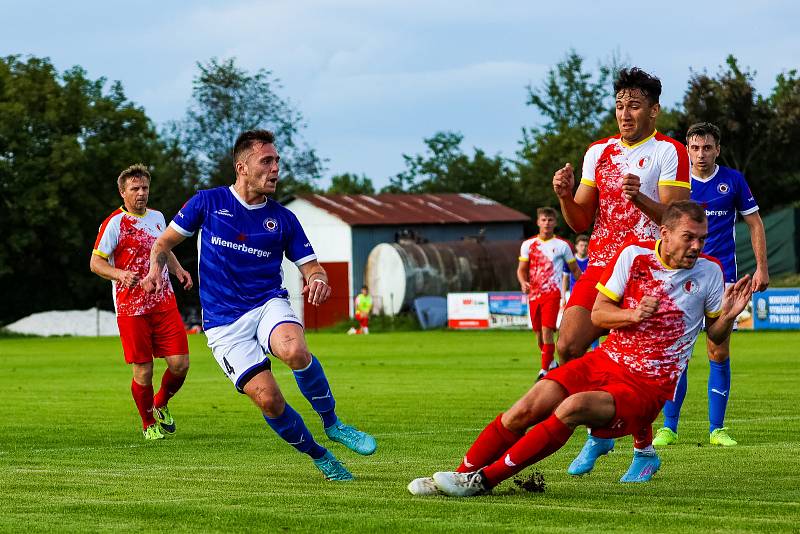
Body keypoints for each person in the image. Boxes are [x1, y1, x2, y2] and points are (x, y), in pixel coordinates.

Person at [408, 201, 753, 496]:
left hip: (648, 385)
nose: (696, 246)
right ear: (665, 232)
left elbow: (714, 333)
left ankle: (483, 481)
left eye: (702, 238)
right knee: (527, 406)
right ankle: (457, 475)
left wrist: (730, 316)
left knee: (572, 408)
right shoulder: (633, 257)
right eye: (689, 237)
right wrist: (633, 313)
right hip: (604, 361)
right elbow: (600, 312)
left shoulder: (710, 272)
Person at [142, 129, 376, 481]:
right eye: (266, 161)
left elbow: (311, 266)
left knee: (295, 350)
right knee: (270, 401)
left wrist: (319, 279)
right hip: (223, 323)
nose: (275, 168)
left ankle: (333, 423)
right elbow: (162, 244)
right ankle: (320, 455)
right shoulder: (207, 202)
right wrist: (152, 274)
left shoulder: (283, 218)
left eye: (277, 161)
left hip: (268, 304)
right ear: (242, 167)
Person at [552, 68, 691, 478]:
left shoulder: (668, 151)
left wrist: (640, 198)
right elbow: (580, 221)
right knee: (569, 346)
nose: (624, 113)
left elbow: (676, 218)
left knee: (631, 366)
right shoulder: (598, 152)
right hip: (600, 264)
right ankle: (604, 434)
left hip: (644, 267)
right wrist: (563, 194)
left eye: (633, 105)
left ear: (654, 110)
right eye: (619, 106)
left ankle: (642, 450)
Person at [652, 122, 769, 447]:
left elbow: (754, 222)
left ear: (717, 149)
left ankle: (717, 429)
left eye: (707, 147)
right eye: (694, 147)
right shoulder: (678, 183)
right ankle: (669, 427)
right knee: (678, 353)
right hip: (682, 277)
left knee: (718, 349)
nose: (700, 154)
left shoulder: (733, 180)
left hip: (723, 278)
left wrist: (761, 267)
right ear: (687, 149)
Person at [90, 164, 193, 441]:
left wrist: (178, 269)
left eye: (144, 188)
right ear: (123, 192)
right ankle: (148, 423)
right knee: (144, 369)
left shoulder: (158, 217)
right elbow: (95, 262)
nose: (141, 193)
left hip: (163, 302)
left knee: (180, 364)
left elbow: (162, 249)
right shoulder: (114, 223)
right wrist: (119, 274)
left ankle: (160, 402)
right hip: (131, 309)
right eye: (134, 189)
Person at [517, 207, 582, 379]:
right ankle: (552, 363)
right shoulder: (528, 244)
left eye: (550, 220)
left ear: (555, 222)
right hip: (534, 295)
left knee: (547, 332)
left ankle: (544, 370)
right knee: (539, 334)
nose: (547, 223)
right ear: (538, 222)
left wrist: (584, 287)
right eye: (544, 220)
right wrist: (523, 282)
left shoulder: (563, 245)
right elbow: (521, 270)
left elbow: (575, 270)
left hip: (552, 294)